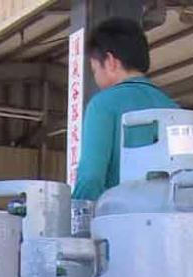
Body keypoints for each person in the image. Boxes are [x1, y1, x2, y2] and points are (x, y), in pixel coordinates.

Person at [71, 17, 178, 201]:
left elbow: (90, 178)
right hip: (171, 216)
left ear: (110, 61)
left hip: (119, 217)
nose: (96, 77)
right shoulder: (175, 109)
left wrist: (76, 212)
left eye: (95, 70)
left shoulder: (103, 104)